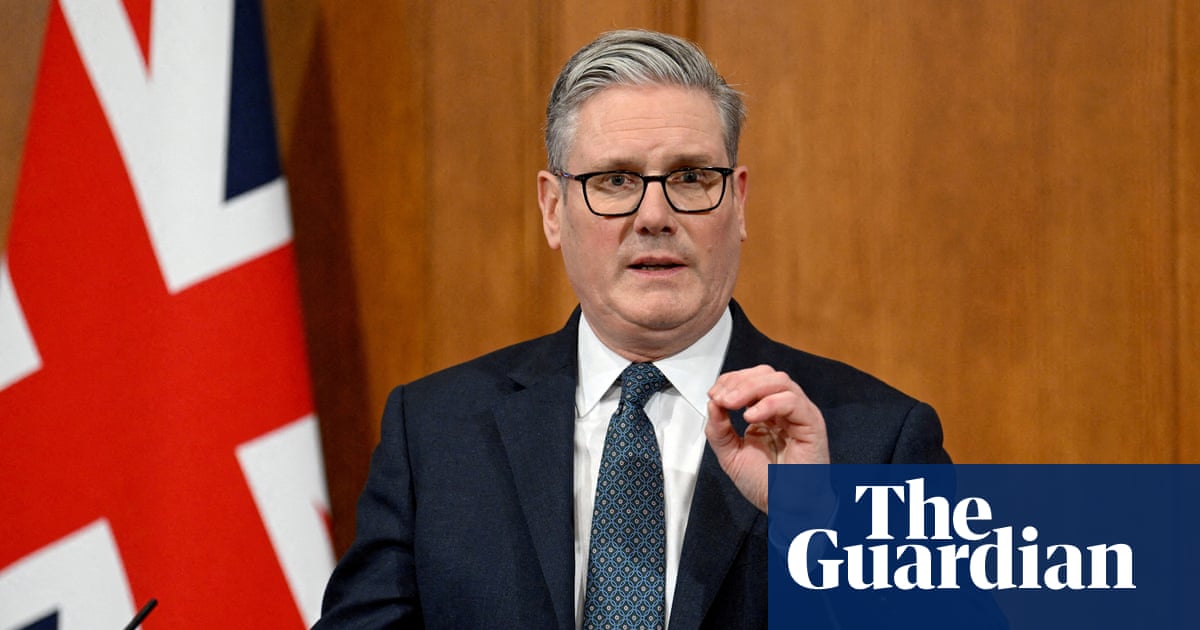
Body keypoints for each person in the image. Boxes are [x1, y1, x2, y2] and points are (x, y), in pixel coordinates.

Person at [314, 29, 951, 629]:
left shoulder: (881, 438)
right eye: (615, 180)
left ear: (738, 201)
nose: (654, 215)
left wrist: (815, 525)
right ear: (553, 209)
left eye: (691, 177)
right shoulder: (435, 432)